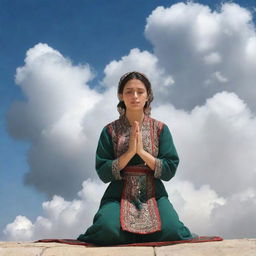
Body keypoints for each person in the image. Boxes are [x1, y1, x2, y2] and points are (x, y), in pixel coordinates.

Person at [77, 71, 193, 245]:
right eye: (129, 91)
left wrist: (142, 152)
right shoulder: (109, 131)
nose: (135, 96)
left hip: (154, 194)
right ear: (120, 96)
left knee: (173, 231)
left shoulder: (161, 129)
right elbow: (103, 171)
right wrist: (130, 152)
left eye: (140, 91)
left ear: (148, 96)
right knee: (106, 230)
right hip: (118, 195)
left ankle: (132, 235)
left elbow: (169, 170)